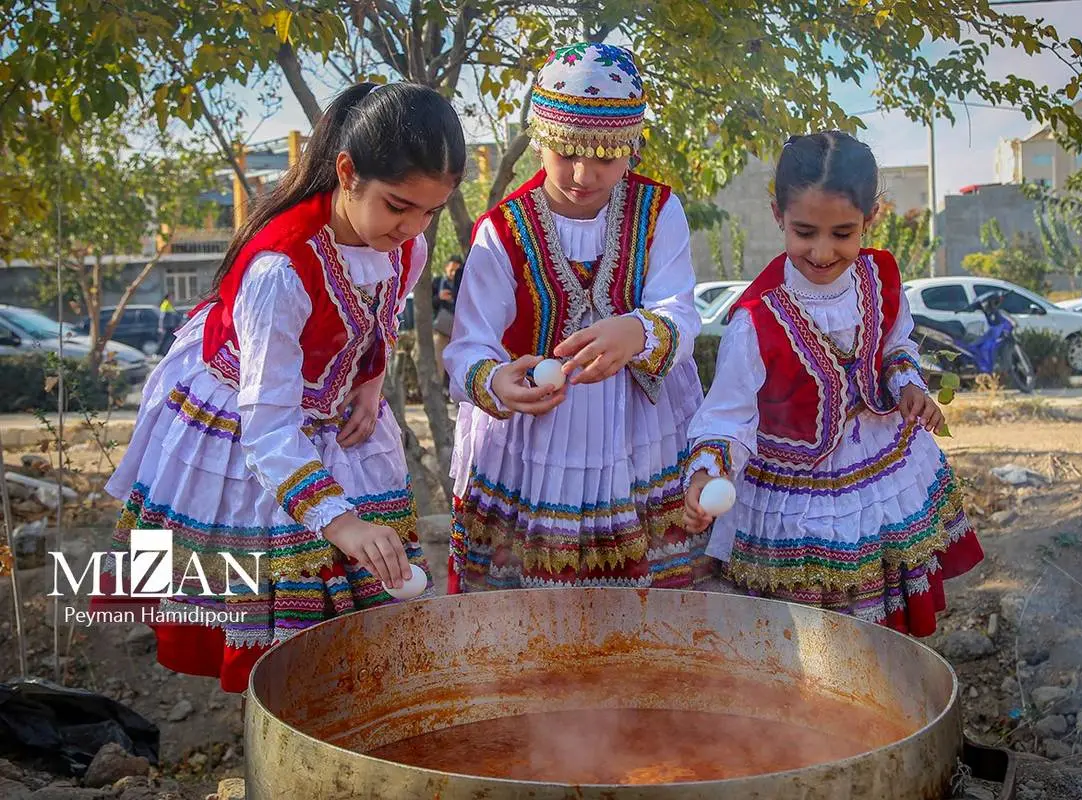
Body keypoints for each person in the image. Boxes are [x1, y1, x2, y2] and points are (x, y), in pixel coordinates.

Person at [96, 82, 467, 693]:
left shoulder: (405, 246)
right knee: (281, 606)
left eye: (429, 211)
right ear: (346, 172)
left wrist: (371, 381)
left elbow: (379, 316)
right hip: (249, 422)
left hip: (329, 408)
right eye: (399, 206)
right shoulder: (280, 271)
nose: (413, 227)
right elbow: (268, 429)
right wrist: (341, 521)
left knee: (359, 600)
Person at [683, 131, 983, 636]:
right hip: (797, 497)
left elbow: (896, 344)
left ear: (871, 218)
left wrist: (908, 384)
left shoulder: (880, 277)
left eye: (842, 233)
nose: (822, 252)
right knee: (811, 633)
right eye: (804, 232)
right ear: (777, 216)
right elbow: (728, 415)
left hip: (878, 469)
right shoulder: (755, 321)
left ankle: (885, 699)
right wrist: (708, 473)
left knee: (883, 628)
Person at [443, 42, 710, 592]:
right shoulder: (502, 231)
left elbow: (680, 312)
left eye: (605, 157)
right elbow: (468, 346)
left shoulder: (659, 212)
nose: (583, 173)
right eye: (566, 151)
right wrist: (494, 379)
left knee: (648, 601)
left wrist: (637, 330)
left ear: (631, 148)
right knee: (533, 611)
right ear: (540, 138)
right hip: (535, 444)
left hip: (641, 434)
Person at [432, 254, 462, 381]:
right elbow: (428, 304)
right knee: (438, 361)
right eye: (451, 269)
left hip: (458, 333)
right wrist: (439, 298)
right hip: (441, 330)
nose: (453, 273)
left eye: (456, 270)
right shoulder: (438, 282)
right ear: (446, 268)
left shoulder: (462, 284)